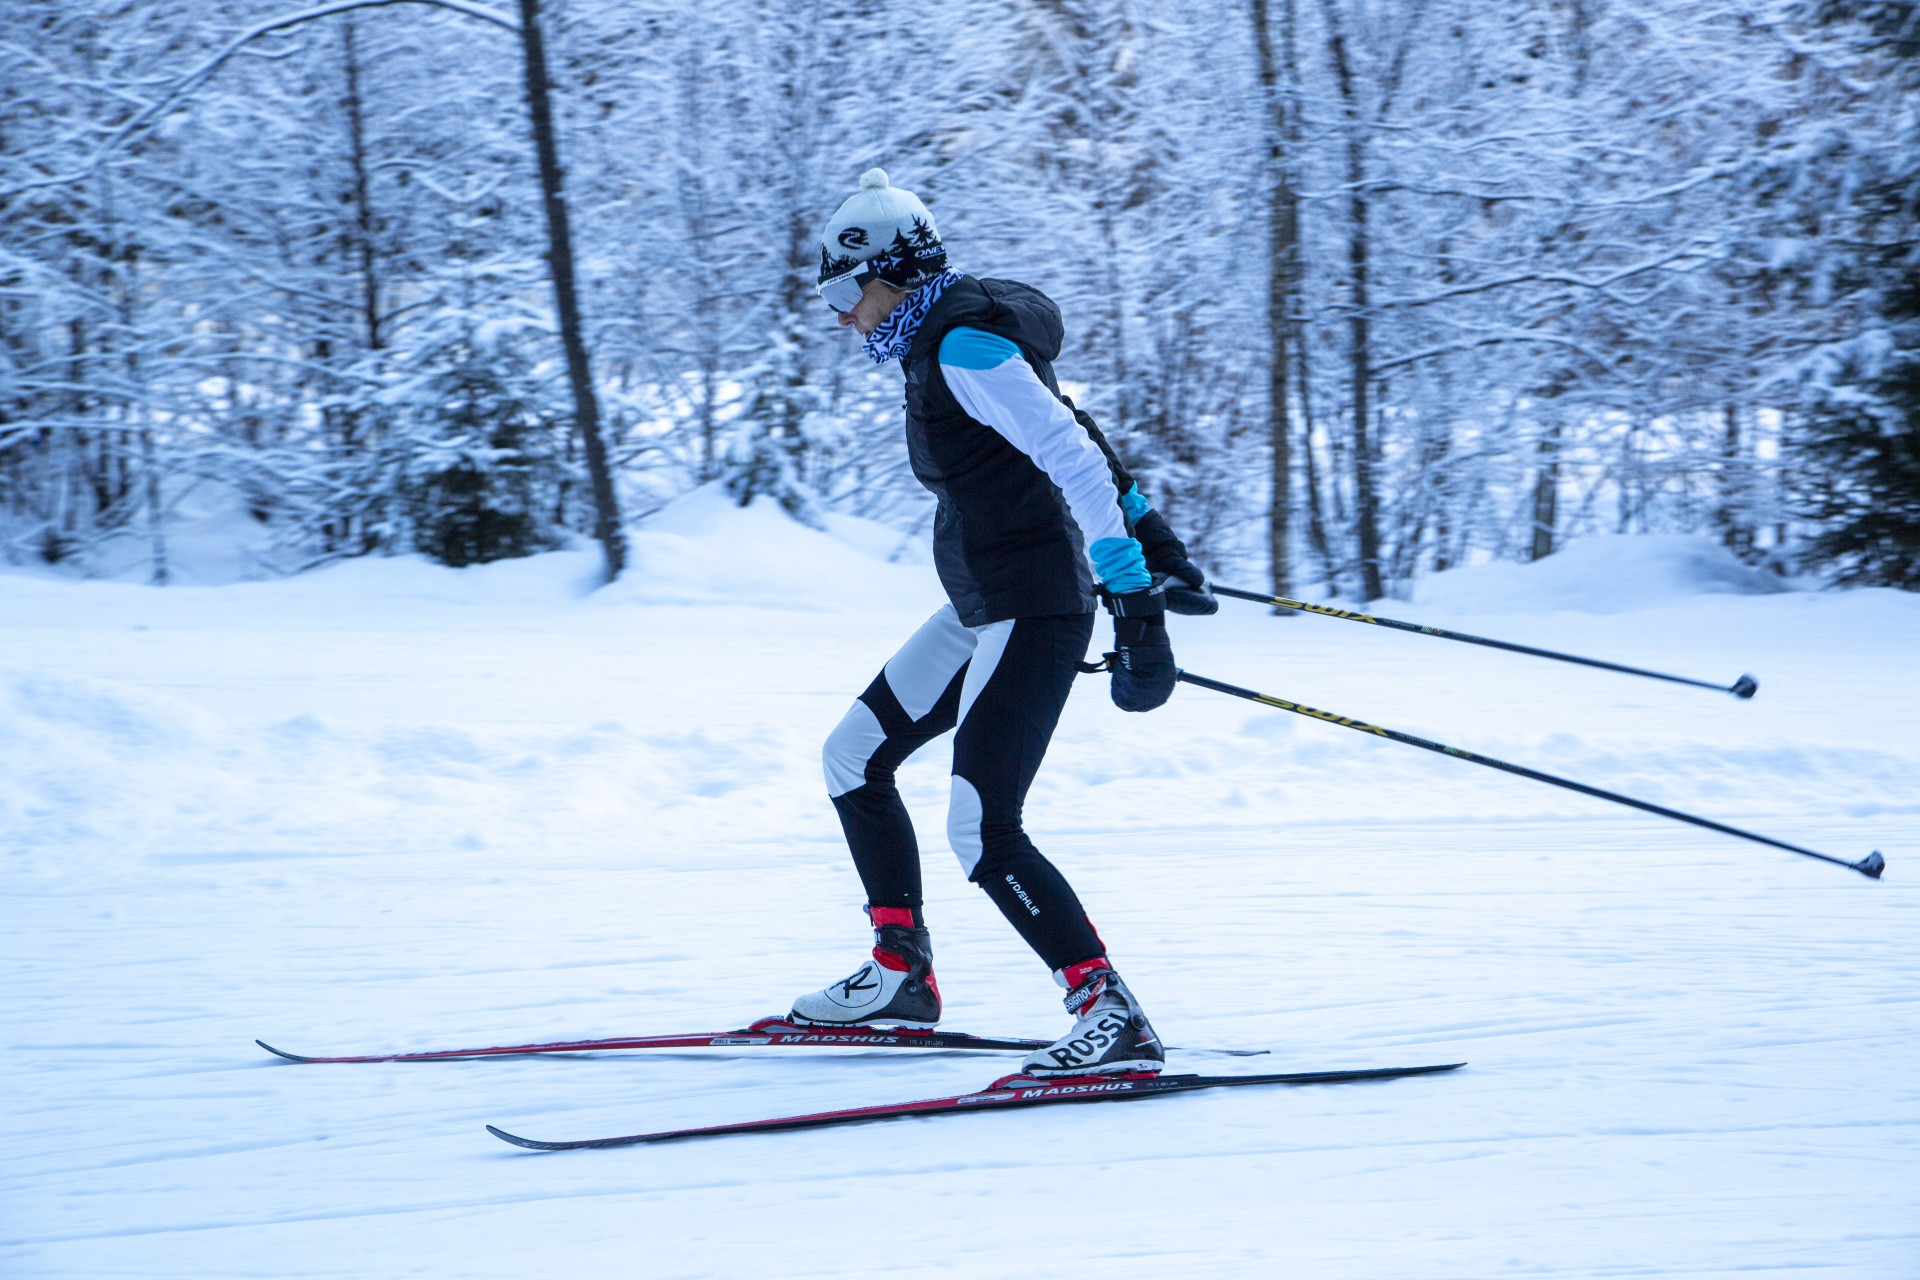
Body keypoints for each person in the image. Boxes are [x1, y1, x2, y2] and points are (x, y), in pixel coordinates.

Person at [789, 169, 1217, 1076]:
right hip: (983, 601)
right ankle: (900, 973)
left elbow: (1071, 458)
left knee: (982, 829)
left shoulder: (961, 348)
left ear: (890, 275)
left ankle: (1111, 1014)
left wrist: (1136, 604)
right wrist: (1155, 530)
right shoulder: (939, 338)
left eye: (840, 289)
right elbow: (1077, 429)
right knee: (851, 756)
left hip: (1035, 604)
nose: (836, 314)